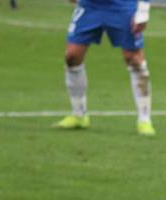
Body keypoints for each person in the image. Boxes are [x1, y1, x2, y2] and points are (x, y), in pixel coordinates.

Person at [54, 0, 155, 136]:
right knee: (72, 56)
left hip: (122, 5)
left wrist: (143, 10)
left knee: (134, 59)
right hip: (90, 5)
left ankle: (144, 119)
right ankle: (79, 115)